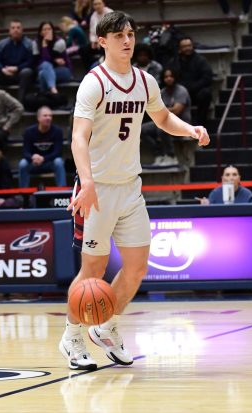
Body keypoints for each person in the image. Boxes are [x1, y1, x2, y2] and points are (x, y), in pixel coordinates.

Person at [60, 11, 210, 371]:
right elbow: (78, 137)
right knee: (92, 271)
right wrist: (88, 181)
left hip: (130, 187)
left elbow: (161, 118)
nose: (127, 41)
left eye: (130, 34)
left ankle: (106, 327)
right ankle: (72, 335)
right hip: (97, 189)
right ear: (102, 42)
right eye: (118, 36)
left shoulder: (145, 81)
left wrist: (190, 129)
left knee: (138, 268)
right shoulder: (93, 83)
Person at [140, 68, 191, 166]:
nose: (169, 79)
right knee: (142, 130)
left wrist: (162, 110)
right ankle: (159, 154)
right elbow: (154, 110)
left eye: (171, 76)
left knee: (162, 129)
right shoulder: (162, 92)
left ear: (175, 78)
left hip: (180, 123)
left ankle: (171, 156)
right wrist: (164, 110)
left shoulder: (181, 91)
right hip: (163, 120)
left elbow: (176, 111)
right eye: (166, 77)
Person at [166, 36, 213, 126]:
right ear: (180, 48)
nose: (187, 48)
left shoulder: (201, 60)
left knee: (206, 93)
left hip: (195, 92)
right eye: (184, 46)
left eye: (189, 46)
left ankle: (201, 124)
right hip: (178, 93)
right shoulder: (174, 61)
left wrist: (191, 88)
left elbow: (207, 78)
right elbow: (170, 76)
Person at [18, 106, 66, 188]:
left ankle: (62, 191)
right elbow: (25, 152)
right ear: (38, 118)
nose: (48, 118)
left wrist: (43, 158)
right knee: (23, 164)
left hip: (49, 162)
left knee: (59, 162)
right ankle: (24, 193)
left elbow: (58, 152)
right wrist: (32, 157)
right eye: (45, 115)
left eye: (50, 116)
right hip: (34, 163)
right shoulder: (29, 132)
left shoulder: (57, 131)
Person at [0, 19, 34, 102]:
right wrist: (2, 69)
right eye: (13, 28)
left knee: (27, 72)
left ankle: (21, 102)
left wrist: (17, 68)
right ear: (9, 31)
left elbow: (31, 61)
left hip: (20, 74)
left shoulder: (29, 44)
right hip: (5, 73)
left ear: (22, 30)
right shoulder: (2, 43)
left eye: (18, 28)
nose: (15, 30)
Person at [33, 21, 73, 95]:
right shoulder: (35, 43)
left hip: (63, 71)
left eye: (49, 29)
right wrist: (44, 44)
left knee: (44, 70)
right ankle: (53, 91)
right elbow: (37, 62)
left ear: (53, 31)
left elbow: (47, 60)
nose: (47, 31)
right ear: (40, 32)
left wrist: (45, 47)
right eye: (44, 29)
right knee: (43, 72)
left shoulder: (60, 42)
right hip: (45, 70)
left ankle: (44, 96)